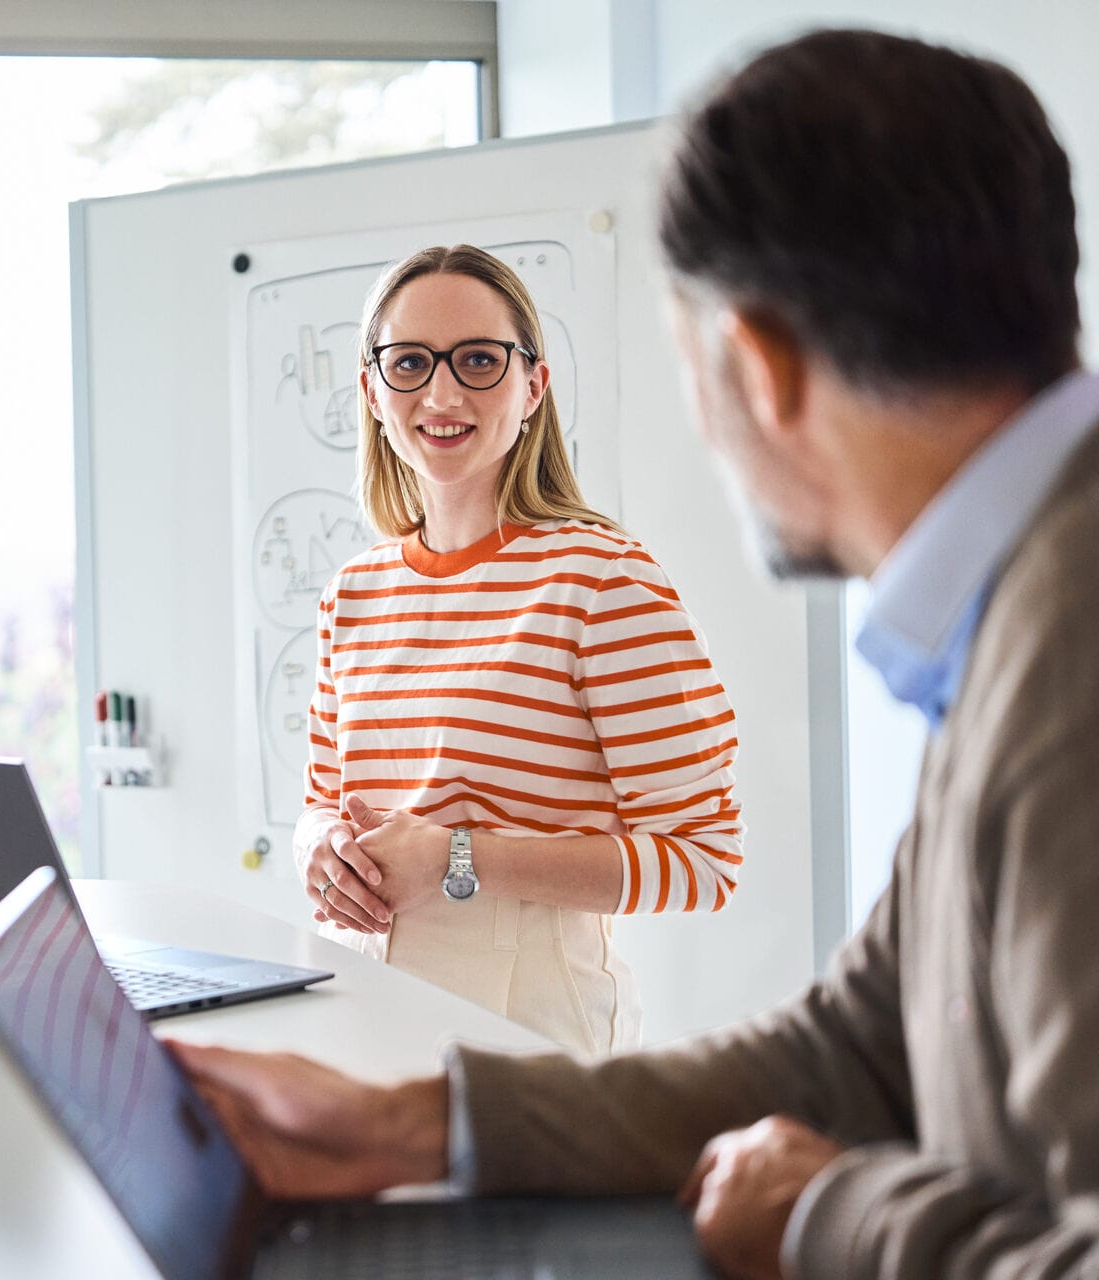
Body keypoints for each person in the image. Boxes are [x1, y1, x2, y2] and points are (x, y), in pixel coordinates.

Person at [177, 28, 1099, 1280]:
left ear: (756, 365)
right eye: (410, 364)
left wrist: (829, 1213)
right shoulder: (1011, 613)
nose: (442, 392)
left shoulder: (1063, 649)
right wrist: (419, 1122)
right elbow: (856, 1041)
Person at [297, 243, 742, 1054]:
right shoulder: (351, 594)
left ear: (533, 386)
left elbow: (703, 864)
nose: (441, 394)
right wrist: (320, 852)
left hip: (528, 1026)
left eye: (478, 360)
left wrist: (456, 858)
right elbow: (322, 802)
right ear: (371, 391)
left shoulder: (603, 582)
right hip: (357, 995)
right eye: (409, 363)